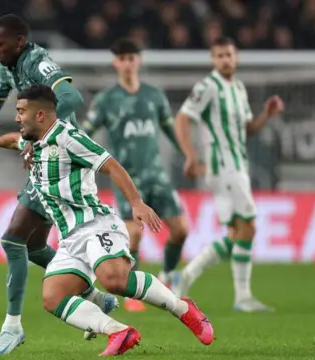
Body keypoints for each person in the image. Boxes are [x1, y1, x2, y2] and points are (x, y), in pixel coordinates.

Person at [0, 84, 214, 356]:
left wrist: (136, 202)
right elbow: (13, 139)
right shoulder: (32, 143)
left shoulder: (69, 138)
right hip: (70, 238)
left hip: (96, 224)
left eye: (21, 111)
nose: (17, 117)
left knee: (114, 280)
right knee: (52, 296)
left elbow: (111, 165)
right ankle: (118, 331)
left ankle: (184, 309)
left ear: (40, 115)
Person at [0, 14, 117, 355]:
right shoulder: (7, 69)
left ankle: (12, 327)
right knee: (31, 247)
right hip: (45, 161)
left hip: (60, 160)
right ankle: (95, 296)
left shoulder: (39, 62)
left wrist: (42, 135)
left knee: (12, 239)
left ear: (19, 41)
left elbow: (72, 99)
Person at [174, 37, 284, 312]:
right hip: (222, 166)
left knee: (238, 231)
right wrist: (190, 155)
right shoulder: (207, 86)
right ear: (213, 60)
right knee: (248, 226)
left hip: (237, 165)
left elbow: (247, 129)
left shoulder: (238, 88)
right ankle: (242, 296)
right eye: (220, 55)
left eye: (229, 55)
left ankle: (186, 275)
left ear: (237, 57)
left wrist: (266, 115)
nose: (225, 59)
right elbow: (183, 117)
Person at [82, 38, 189, 313]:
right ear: (115, 63)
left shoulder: (154, 95)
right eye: (122, 58)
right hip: (128, 180)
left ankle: (165, 276)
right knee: (134, 236)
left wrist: (189, 155)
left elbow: (169, 129)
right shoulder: (106, 100)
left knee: (181, 230)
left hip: (157, 176)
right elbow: (85, 132)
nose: (128, 63)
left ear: (138, 60)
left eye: (132, 58)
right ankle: (134, 289)